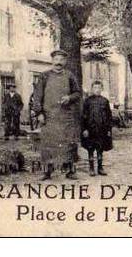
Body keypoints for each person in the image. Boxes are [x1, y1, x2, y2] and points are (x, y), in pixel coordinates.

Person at [30, 49, 82, 180]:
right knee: (48, 144)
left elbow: (77, 93)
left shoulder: (70, 76)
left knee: (68, 143)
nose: (58, 62)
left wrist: (69, 98)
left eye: (61, 60)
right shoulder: (44, 76)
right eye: (56, 59)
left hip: (66, 117)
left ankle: (70, 170)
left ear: (65, 61)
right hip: (49, 117)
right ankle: (47, 172)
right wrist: (39, 113)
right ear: (52, 61)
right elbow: (37, 96)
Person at [81, 80, 114, 176]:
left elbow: (109, 117)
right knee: (90, 149)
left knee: (100, 149)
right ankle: (91, 168)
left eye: (99, 88)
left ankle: (100, 168)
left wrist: (108, 129)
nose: (97, 90)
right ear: (92, 89)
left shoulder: (105, 101)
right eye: (95, 88)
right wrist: (84, 129)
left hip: (101, 130)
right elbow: (83, 116)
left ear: (102, 89)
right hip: (90, 130)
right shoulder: (87, 101)